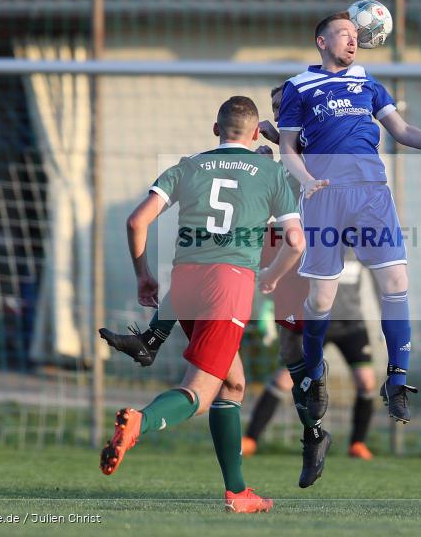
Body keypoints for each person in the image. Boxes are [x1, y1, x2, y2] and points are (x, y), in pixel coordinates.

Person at [100, 86, 334, 489]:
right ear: (256, 134)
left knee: (232, 384)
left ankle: (237, 491)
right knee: (199, 392)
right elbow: (296, 241)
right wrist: (273, 275)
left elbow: (136, 221)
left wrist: (143, 275)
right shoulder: (271, 172)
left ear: (216, 129)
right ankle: (141, 420)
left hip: (184, 284)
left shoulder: (187, 167)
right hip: (228, 286)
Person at [277, 11, 421, 425]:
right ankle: (313, 374)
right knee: (321, 299)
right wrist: (307, 180)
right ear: (322, 42)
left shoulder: (369, 84)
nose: (353, 40)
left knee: (397, 282)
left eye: (355, 34)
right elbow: (287, 145)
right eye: (343, 33)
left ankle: (396, 380)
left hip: (372, 195)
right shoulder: (299, 86)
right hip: (325, 196)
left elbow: (403, 130)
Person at [244, 85, 377, 461]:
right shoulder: (291, 180)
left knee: (366, 380)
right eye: (275, 107)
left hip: (347, 315)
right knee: (286, 377)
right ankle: (251, 439)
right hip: (307, 304)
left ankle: (358, 443)